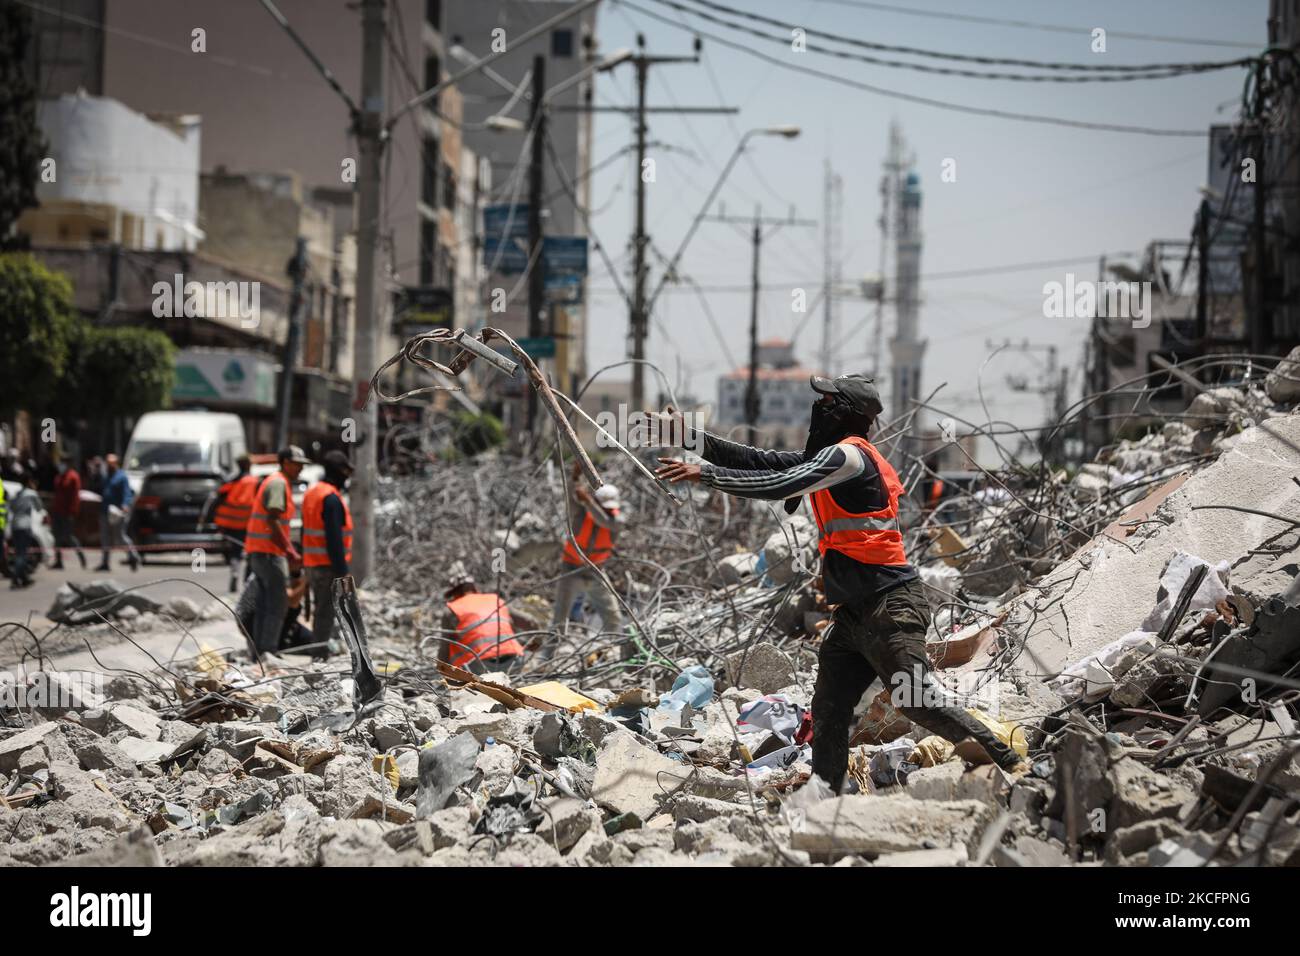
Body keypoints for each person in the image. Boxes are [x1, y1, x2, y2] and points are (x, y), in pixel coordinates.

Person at [654, 374, 1027, 793]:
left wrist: (705, 476)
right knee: (829, 709)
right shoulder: (831, 458)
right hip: (854, 614)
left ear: (844, 411)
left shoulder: (849, 457)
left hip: (891, 607)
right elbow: (764, 461)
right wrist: (692, 438)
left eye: (827, 400)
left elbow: (780, 484)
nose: (819, 407)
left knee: (917, 701)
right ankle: (825, 796)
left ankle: (1012, 765)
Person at [235, 445, 309, 654]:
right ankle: (268, 652)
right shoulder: (278, 483)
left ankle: (259, 653)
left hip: (260, 552)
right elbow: (273, 519)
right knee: (277, 605)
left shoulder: (274, 481)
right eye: (297, 464)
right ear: (285, 462)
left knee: (264, 604)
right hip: (270, 554)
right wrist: (290, 552)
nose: (300, 469)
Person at [544, 469, 624, 659]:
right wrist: (574, 478)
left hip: (596, 572)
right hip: (571, 570)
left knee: (613, 617)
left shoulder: (616, 520)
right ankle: (547, 658)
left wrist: (588, 501)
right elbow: (571, 497)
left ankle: (613, 654)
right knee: (559, 619)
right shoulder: (580, 514)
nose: (607, 509)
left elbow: (604, 521)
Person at [300, 450, 353, 651]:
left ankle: (321, 652)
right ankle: (319, 659)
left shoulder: (313, 493)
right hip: (327, 565)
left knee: (321, 611)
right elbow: (334, 540)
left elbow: (306, 530)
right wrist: (342, 570)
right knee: (324, 614)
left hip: (313, 562)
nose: (347, 476)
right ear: (338, 471)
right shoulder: (330, 498)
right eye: (345, 471)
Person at [440, 561, 524, 675]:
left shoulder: (452, 609)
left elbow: (444, 651)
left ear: (453, 593)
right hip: (515, 662)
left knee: (453, 643)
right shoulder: (495, 599)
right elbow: (530, 622)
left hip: (481, 668)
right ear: (474, 587)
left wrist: (442, 674)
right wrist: (537, 643)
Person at [212, 454, 259, 593]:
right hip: (250, 524)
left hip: (232, 524)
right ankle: (247, 581)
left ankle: (235, 573)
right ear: (249, 465)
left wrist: (211, 520)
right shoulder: (256, 482)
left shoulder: (231, 482)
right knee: (250, 552)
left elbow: (217, 500)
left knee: (235, 552)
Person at [96, 453, 137, 572]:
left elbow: (127, 493)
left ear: (116, 464)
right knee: (105, 538)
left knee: (120, 536)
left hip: (117, 512)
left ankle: (133, 556)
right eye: (108, 464)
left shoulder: (121, 477)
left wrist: (125, 505)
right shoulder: (105, 476)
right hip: (105, 511)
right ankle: (105, 562)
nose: (109, 466)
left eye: (111, 464)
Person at [51, 455, 86, 570]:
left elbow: (75, 496)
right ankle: (58, 560)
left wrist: (73, 512)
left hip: (68, 513)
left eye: (63, 462)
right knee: (57, 537)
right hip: (57, 511)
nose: (61, 465)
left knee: (69, 537)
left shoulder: (73, 477)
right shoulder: (59, 476)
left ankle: (81, 555)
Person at [8, 474, 43, 588]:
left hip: (15, 525)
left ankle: (24, 579)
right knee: (22, 554)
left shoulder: (17, 494)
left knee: (19, 553)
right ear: (29, 482)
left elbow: (11, 507)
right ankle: (15, 578)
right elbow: (39, 507)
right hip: (25, 526)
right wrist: (34, 490)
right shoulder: (31, 493)